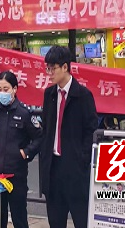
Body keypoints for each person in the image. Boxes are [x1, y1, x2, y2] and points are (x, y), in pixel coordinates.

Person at [39, 46, 98, 228]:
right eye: (47, 68)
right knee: (56, 221)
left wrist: (82, 158)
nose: (49, 73)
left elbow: (91, 131)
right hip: (53, 169)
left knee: (81, 220)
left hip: (75, 171)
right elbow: (46, 129)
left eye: (53, 68)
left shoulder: (83, 96)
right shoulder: (49, 95)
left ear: (65, 67)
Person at [0, 71, 43, 228]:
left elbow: (39, 137)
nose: (2, 93)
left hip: (16, 175)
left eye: (5, 89)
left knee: (19, 217)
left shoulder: (24, 112)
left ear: (15, 89)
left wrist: (26, 153)